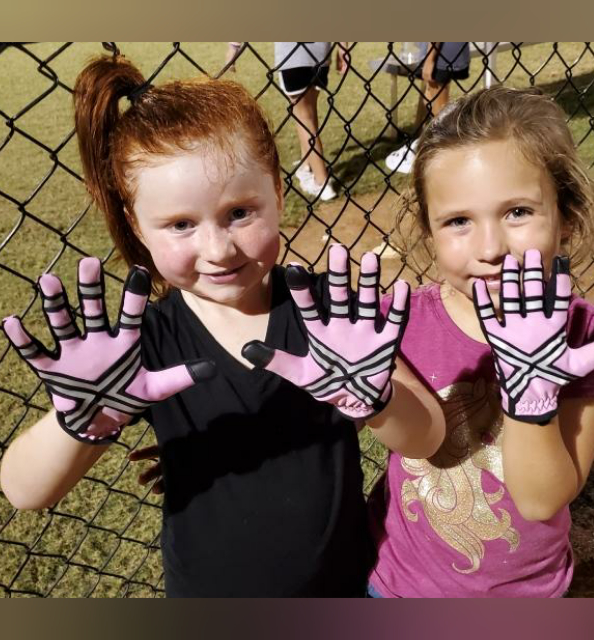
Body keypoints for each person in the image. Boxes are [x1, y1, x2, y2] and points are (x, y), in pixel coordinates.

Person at [0, 54, 446, 597]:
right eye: (180, 224)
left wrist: (376, 400)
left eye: (239, 212)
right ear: (137, 227)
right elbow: (25, 491)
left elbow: (427, 435)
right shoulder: (144, 343)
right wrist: (82, 420)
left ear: (278, 194)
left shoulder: (327, 314)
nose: (217, 249)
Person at [368, 86, 594, 598]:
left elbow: (540, 500)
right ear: (428, 231)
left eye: (517, 212)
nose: (491, 248)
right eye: (458, 221)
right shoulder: (391, 324)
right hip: (399, 586)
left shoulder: (590, 339)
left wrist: (531, 396)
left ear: (566, 217)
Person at [274, 42, 349, 201]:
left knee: (303, 117)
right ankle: (306, 165)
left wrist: (234, 46)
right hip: (321, 54)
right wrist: (343, 47)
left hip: (292, 56)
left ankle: (321, 182)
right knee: (310, 114)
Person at [385, 42, 470, 175]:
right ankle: (430, 147)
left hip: (439, 55)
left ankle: (443, 154)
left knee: (440, 110)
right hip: (443, 52)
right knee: (430, 98)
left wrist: (430, 59)